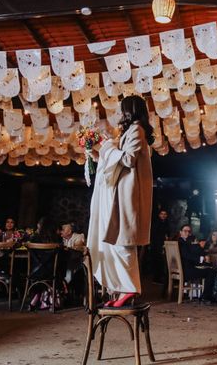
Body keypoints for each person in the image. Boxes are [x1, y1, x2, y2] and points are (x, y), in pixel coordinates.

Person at [88, 95, 154, 308]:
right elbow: (117, 159)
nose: (118, 113)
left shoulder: (136, 130)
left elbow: (127, 159)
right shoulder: (130, 131)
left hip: (128, 196)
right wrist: (98, 153)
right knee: (117, 242)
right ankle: (120, 289)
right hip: (121, 193)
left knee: (123, 242)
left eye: (121, 109)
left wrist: (108, 147)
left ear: (129, 110)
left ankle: (128, 289)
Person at [177, 225, 215, 300]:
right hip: (187, 271)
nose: (187, 233)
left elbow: (189, 255)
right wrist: (201, 258)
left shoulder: (183, 242)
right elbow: (187, 255)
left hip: (184, 269)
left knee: (209, 269)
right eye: (185, 231)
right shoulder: (182, 243)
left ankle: (206, 295)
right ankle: (206, 296)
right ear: (180, 232)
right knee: (211, 272)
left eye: (189, 231)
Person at [150, 209, 171, 284]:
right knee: (157, 261)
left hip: (162, 244)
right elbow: (155, 234)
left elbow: (167, 233)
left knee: (161, 262)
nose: (163, 215)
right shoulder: (156, 223)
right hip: (156, 244)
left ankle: (160, 278)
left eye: (165, 214)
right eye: (162, 214)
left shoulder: (166, 223)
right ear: (159, 215)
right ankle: (156, 279)